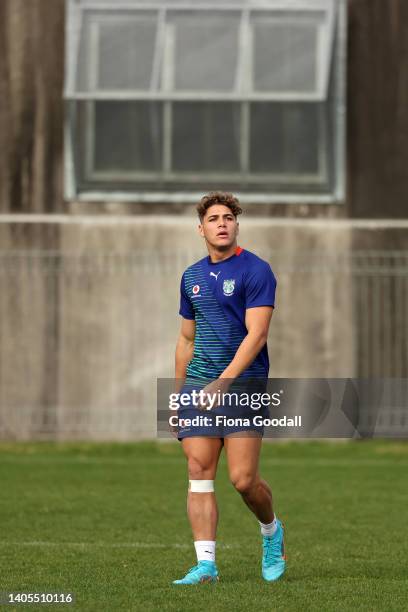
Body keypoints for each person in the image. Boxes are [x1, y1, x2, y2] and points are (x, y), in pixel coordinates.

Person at [172, 191, 285, 585]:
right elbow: (186, 340)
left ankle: (271, 531)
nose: (222, 223)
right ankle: (206, 565)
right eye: (214, 218)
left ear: (237, 225)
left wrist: (224, 382)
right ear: (200, 228)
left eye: (229, 218)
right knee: (199, 471)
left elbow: (257, 335)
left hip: (242, 386)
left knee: (243, 480)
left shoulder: (256, 270)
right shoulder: (191, 277)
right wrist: (178, 393)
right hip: (199, 387)